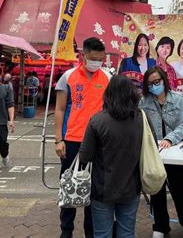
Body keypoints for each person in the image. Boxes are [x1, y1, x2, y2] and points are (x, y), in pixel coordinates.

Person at [54, 37, 111, 238]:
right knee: (69, 186)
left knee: (94, 191)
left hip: (100, 142)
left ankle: (91, 231)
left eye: (100, 59)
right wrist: (58, 139)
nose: (97, 62)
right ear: (83, 55)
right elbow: (60, 109)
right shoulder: (68, 77)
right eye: (93, 58)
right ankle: (66, 231)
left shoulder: (107, 78)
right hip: (72, 140)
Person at [140, 66, 183, 238]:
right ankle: (160, 226)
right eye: (150, 83)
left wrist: (169, 139)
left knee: (181, 190)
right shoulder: (144, 101)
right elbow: (141, 123)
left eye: (157, 82)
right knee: (156, 189)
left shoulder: (178, 99)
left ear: (164, 80)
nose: (154, 86)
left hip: (175, 152)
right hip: (154, 153)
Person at [79, 75, 144, 238]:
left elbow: (85, 156)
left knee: (102, 234)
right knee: (127, 233)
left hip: (102, 189)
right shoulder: (141, 119)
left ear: (108, 94)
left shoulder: (97, 120)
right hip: (132, 187)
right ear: (132, 94)